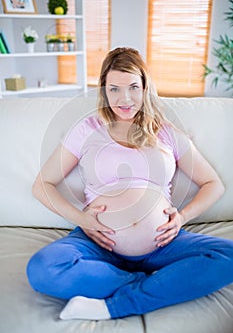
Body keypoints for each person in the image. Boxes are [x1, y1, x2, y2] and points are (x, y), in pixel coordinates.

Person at [27, 47, 233, 320]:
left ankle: (115, 305)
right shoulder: (88, 129)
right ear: (104, 90)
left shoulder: (167, 131)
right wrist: (82, 219)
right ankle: (159, 284)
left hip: (163, 243)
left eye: (134, 87)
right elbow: (42, 184)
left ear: (145, 88)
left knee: (227, 257)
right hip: (98, 242)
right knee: (43, 269)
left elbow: (212, 183)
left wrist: (182, 217)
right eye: (114, 89)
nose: (125, 99)